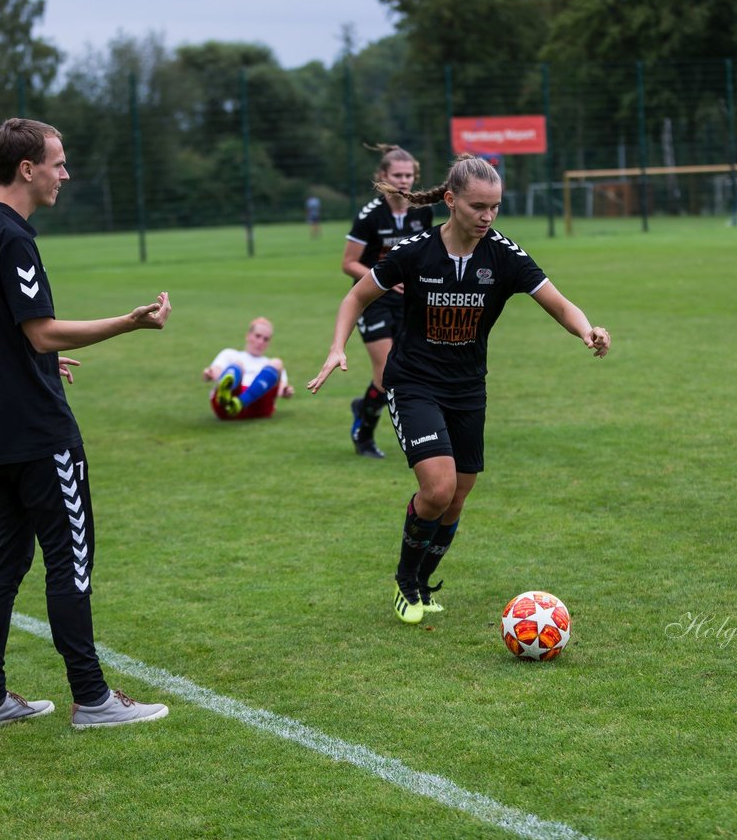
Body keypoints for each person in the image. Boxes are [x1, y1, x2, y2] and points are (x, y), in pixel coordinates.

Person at [308, 154, 610, 624]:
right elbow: (357, 295)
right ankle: (406, 582)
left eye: (495, 207)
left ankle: (424, 582)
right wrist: (336, 347)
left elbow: (557, 302)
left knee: (458, 494)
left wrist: (588, 330)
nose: (487, 217)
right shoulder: (415, 251)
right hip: (413, 383)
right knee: (438, 487)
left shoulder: (504, 255)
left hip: (468, 389)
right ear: (450, 201)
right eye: (477, 206)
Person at [0, 118, 172, 731]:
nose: (64, 174)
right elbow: (39, 329)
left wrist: (32, 356)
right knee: (69, 561)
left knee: (5, 562)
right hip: (39, 433)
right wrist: (130, 322)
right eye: (59, 163)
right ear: (26, 169)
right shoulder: (14, 238)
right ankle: (93, 699)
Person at [341, 144, 435, 459]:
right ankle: (364, 433)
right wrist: (383, 278)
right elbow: (349, 263)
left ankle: (365, 406)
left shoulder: (422, 210)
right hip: (372, 300)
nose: (404, 180)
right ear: (382, 177)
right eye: (397, 175)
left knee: (414, 367)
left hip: (408, 301)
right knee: (385, 374)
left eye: (409, 175)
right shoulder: (370, 215)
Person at [203, 316, 294, 420]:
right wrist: (209, 374)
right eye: (258, 336)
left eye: (266, 339)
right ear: (248, 336)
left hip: (259, 406)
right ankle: (227, 394)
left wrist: (286, 391)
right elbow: (216, 371)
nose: (261, 342)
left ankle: (241, 402)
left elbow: (281, 389)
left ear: (269, 343)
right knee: (237, 365)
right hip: (230, 401)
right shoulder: (229, 354)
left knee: (277, 363)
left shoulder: (269, 365)